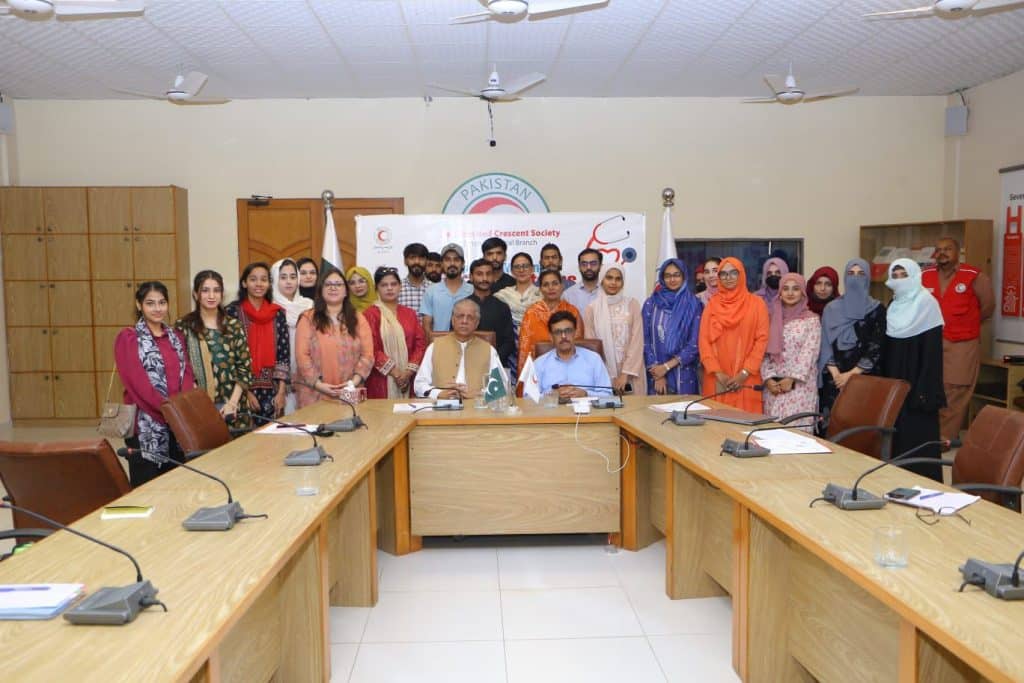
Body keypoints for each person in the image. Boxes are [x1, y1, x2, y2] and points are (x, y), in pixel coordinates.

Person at [115, 281, 195, 486]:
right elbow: (137, 384)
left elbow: (186, 373)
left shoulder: (175, 337)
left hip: (177, 422)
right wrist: (166, 411)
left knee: (176, 483)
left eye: (162, 302)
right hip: (145, 424)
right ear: (139, 305)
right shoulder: (129, 338)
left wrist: (179, 409)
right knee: (148, 486)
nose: (157, 308)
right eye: (150, 303)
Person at [922, 237, 995, 441]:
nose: (942, 253)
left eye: (948, 249)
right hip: (932, 342)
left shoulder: (974, 276)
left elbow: (987, 307)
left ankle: (944, 438)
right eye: (938, 249)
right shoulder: (925, 275)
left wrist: (966, 323)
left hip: (961, 344)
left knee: (955, 389)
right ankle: (929, 436)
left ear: (959, 252)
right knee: (930, 387)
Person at [884, 258, 946, 482]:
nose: (899, 281)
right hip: (895, 377)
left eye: (904, 275)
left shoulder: (927, 303)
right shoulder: (893, 305)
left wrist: (924, 388)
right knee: (895, 433)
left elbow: (932, 353)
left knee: (917, 433)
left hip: (920, 381)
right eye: (895, 276)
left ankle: (923, 482)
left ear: (915, 276)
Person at [175, 270, 255, 430]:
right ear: (195, 294)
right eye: (205, 290)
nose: (211, 296)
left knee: (238, 453)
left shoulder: (233, 326)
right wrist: (202, 404)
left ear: (222, 294)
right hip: (198, 406)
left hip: (235, 406)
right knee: (205, 452)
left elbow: (245, 369)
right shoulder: (184, 326)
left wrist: (232, 403)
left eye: (216, 290)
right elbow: (180, 368)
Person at [817, 258, 886, 433]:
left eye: (861, 274)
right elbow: (825, 344)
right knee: (833, 429)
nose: (855, 278)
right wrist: (836, 375)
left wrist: (852, 375)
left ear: (868, 278)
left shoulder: (877, 309)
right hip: (834, 380)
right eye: (851, 273)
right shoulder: (831, 309)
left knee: (861, 429)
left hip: (864, 378)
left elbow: (876, 345)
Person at [294, 268, 373, 408]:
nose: (333, 288)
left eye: (338, 284)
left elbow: (367, 355)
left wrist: (352, 383)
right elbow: (302, 356)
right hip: (315, 394)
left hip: (350, 392)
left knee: (350, 428)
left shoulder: (358, 319)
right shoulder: (307, 318)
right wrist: (319, 385)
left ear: (346, 291)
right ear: (321, 289)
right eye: (328, 284)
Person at [698, 257, 769, 412]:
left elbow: (761, 341)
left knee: (745, 429)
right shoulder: (712, 305)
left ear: (741, 274)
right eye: (723, 274)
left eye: (733, 273)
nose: (728, 278)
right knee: (714, 430)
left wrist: (744, 373)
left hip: (747, 378)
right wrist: (718, 373)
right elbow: (704, 341)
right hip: (716, 378)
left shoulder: (757, 304)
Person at [226, 262, 289, 419]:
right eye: (253, 279)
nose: (259, 284)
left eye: (264, 279)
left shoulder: (277, 314)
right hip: (239, 391)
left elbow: (283, 354)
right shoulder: (232, 312)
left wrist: (281, 392)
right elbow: (230, 356)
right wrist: (246, 393)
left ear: (269, 284)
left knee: (272, 440)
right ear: (244, 283)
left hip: (272, 391)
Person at [761, 273, 821, 430]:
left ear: (803, 292)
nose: (790, 293)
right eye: (785, 289)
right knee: (772, 432)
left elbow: (809, 353)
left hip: (800, 387)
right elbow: (764, 353)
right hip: (774, 387)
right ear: (779, 293)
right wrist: (768, 379)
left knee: (797, 434)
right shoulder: (771, 318)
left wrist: (792, 379)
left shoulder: (812, 320)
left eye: (795, 289)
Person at [414, 298, 504, 399]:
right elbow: (419, 385)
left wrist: (479, 394)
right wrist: (438, 393)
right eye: (460, 316)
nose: (464, 321)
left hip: (476, 409)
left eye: (470, 317)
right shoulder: (434, 347)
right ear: (453, 320)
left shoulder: (489, 350)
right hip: (441, 409)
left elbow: (500, 387)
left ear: (477, 323)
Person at [363, 267, 427, 399]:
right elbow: (370, 347)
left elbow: (420, 344)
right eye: (384, 285)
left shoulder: (409, 314)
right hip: (381, 379)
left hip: (409, 377)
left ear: (400, 287)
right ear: (377, 289)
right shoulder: (370, 314)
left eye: (393, 284)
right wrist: (396, 373)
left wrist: (408, 372)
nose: (389, 288)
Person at [641, 259, 702, 396]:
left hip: (684, 374)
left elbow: (694, 344)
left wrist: (666, 367)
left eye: (676, 275)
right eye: (667, 276)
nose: (672, 279)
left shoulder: (694, 305)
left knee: (684, 415)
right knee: (655, 415)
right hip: (656, 375)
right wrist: (658, 373)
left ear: (684, 277)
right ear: (662, 278)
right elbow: (645, 340)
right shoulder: (651, 304)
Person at [583, 264, 644, 395]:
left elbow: (637, 341)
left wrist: (624, 375)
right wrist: (609, 377)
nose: (613, 282)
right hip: (603, 373)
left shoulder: (632, 304)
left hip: (631, 372)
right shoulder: (592, 309)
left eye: (618, 279)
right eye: (609, 278)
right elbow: (592, 347)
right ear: (602, 280)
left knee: (634, 412)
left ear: (623, 282)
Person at [518, 268, 583, 377]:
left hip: (569, 366)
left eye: (555, 283)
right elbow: (524, 350)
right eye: (546, 285)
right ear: (540, 289)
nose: (551, 288)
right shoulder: (531, 313)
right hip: (539, 370)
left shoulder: (572, 311)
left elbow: (579, 344)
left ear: (562, 286)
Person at [535, 311, 612, 398]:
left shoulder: (593, 359)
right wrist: (550, 396)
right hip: (552, 410)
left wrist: (586, 394)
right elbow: (527, 398)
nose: (563, 336)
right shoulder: (539, 363)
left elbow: (608, 394)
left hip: (587, 409)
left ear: (575, 333)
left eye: (568, 331)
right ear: (550, 337)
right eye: (557, 332)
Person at [270, 258, 313, 414]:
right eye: (283, 277)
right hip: (280, 380)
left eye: (293, 277)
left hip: (307, 377)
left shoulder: (309, 305)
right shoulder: (270, 308)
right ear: (275, 279)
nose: (289, 282)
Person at [495, 251, 542, 380]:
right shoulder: (502, 295)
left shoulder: (542, 295)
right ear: (512, 271)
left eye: (525, 266)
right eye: (517, 267)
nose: (521, 270)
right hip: (510, 347)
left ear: (532, 269)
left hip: (535, 345)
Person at [466, 258, 515, 367]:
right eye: (479, 274)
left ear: (493, 277)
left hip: (497, 365)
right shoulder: (462, 307)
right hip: (467, 364)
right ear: (471, 277)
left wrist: (493, 359)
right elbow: (455, 336)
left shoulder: (502, 307)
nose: (484, 278)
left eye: (488, 274)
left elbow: (509, 342)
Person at [420, 243, 473, 332]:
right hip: (439, 344)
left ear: (463, 264)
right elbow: (426, 326)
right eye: (447, 260)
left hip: (467, 345)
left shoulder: (472, 290)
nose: (452, 263)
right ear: (442, 264)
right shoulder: (431, 291)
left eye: (456, 260)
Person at [563, 248, 602, 313]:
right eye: (584, 264)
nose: (588, 267)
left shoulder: (608, 292)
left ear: (600, 266)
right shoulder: (568, 295)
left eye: (593, 263)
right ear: (579, 267)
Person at [397, 242, 430, 313]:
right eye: (412, 258)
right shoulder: (397, 288)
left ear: (427, 261)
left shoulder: (434, 289)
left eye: (421, 258)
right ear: (405, 261)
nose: (417, 262)